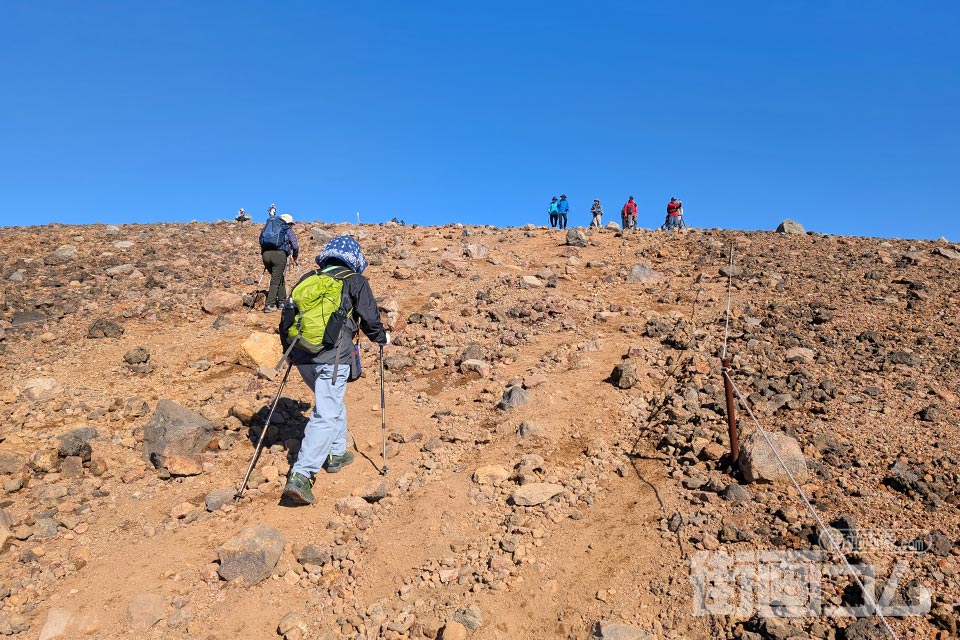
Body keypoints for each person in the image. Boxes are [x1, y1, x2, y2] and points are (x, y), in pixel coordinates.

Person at [282, 236, 390, 505]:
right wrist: (380, 338)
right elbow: (370, 316)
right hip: (333, 357)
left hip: (302, 355)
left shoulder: (308, 277)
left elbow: (288, 315)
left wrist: (289, 352)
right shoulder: (355, 281)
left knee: (331, 404)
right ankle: (302, 474)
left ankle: (336, 453)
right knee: (326, 413)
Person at [259, 213, 299, 313]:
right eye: (291, 224)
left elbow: (261, 240)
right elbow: (295, 245)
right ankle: (269, 305)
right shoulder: (287, 229)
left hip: (265, 255)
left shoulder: (270, 227)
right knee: (275, 280)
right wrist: (295, 256)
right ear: (288, 222)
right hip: (279, 255)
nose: (291, 226)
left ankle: (282, 302)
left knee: (278, 277)